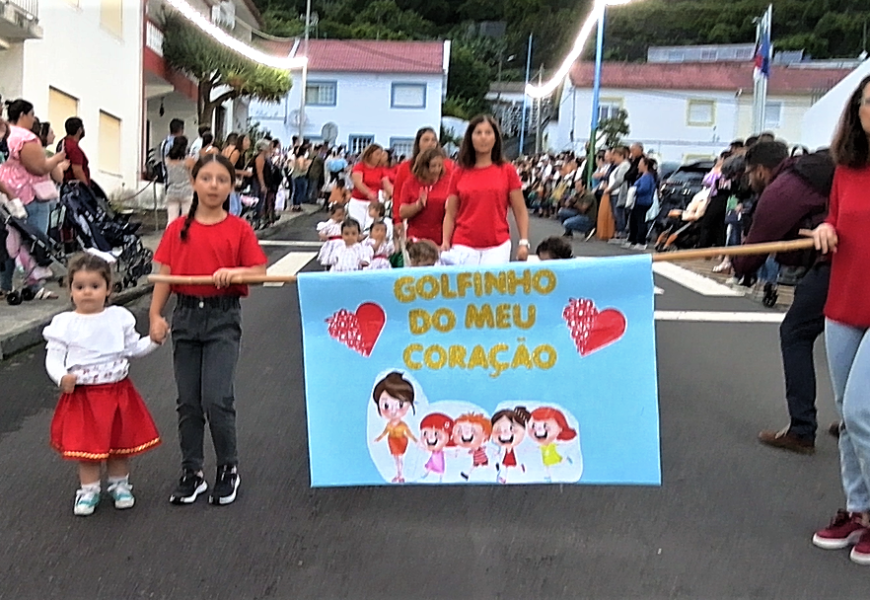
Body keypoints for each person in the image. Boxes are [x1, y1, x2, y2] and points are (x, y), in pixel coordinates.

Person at [149, 154, 268, 506]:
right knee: (188, 401)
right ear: (195, 182)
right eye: (206, 178)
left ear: (231, 186)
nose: (213, 185)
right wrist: (155, 315)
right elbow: (165, 275)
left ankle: (228, 468)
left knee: (216, 399)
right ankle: (192, 471)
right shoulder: (176, 229)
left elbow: (260, 271)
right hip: (186, 317)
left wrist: (238, 274)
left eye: (221, 180)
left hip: (222, 318)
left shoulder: (240, 229)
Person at [732, 141, 833, 455]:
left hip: (834, 262)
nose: (750, 182)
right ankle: (857, 419)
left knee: (795, 333)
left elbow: (750, 256)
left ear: (761, 170)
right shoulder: (813, 172)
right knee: (852, 337)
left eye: (750, 175)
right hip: (851, 256)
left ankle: (802, 429)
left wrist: (739, 264)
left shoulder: (781, 192)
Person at [43, 252, 161, 516]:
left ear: (108, 289)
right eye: (80, 287)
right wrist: (62, 376)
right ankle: (89, 490)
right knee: (87, 448)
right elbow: (53, 358)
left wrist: (154, 340)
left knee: (118, 445)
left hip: (117, 392)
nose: (87, 293)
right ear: (70, 290)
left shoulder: (119, 318)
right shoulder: (64, 324)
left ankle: (120, 485)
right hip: (84, 396)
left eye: (94, 286)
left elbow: (134, 348)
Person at [809, 75, 870, 565]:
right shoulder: (846, 169)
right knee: (847, 419)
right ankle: (859, 510)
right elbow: (833, 217)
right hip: (845, 302)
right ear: (857, 111)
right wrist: (826, 228)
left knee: (860, 412)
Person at [0, 99, 68, 300]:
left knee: (10, 241)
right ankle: (35, 286)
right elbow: (38, 167)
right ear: (23, 115)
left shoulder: (5, 134)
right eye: (31, 115)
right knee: (35, 240)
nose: (33, 120)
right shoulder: (25, 138)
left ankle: (5, 284)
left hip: (8, 192)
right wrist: (57, 159)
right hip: (30, 194)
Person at [442, 115, 530, 265]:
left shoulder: (507, 171)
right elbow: (450, 213)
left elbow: (520, 210)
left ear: (495, 138)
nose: (483, 137)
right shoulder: (459, 172)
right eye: (478, 133)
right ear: (470, 138)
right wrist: (445, 241)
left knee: (493, 289)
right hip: (463, 244)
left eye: (488, 133)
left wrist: (523, 241)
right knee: (466, 288)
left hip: (497, 245)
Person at [391, 128, 450, 238]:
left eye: (433, 140)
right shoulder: (405, 167)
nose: (430, 143)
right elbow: (397, 194)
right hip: (414, 225)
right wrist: (397, 220)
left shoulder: (448, 165)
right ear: (418, 143)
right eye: (426, 140)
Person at [398, 147, 450, 246]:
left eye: (440, 165)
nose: (437, 170)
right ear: (424, 167)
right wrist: (418, 206)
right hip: (417, 238)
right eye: (433, 166)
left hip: (440, 239)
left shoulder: (447, 182)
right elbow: (402, 212)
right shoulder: (410, 183)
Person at [350, 144, 393, 230]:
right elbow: (358, 183)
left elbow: (387, 184)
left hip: (373, 205)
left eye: (381, 154)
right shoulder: (359, 166)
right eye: (377, 154)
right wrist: (368, 192)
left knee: (371, 227)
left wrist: (396, 194)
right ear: (370, 154)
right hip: (358, 202)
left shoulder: (380, 169)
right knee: (358, 226)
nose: (379, 156)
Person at [164, 136, 196, 225]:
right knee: (186, 220)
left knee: (171, 221)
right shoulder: (189, 160)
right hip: (186, 191)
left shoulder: (167, 160)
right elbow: (193, 175)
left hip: (172, 190)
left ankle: (170, 237)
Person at [626, 156, 657, 248]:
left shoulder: (647, 177)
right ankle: (633, 240)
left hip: (643, 202)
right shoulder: (644, 176)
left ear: (645, 165)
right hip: (639, 201)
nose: (638, 166)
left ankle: (641, 241)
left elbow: (644, 188)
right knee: (634, 220)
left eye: (640, 164)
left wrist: (634, 190)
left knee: (640, 221)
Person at [316, 204, 346, 269]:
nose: (341, 217)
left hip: (342, 243)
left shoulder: (344, 224)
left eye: (343, 215)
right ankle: (329, 268)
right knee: (330, 258)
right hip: (332, 244)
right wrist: (323, 236)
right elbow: (322, 232)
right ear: (332, 215)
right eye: (338, 215)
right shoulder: (328, 224)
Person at [290, 143, 310, 213]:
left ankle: (294, 205)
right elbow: (302, 168)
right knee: (300, 192)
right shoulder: (301, 158)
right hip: (300, 176)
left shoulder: (296, 158)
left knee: (295, 191)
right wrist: (307, 165)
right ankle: (297, 205)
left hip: (295, 176)